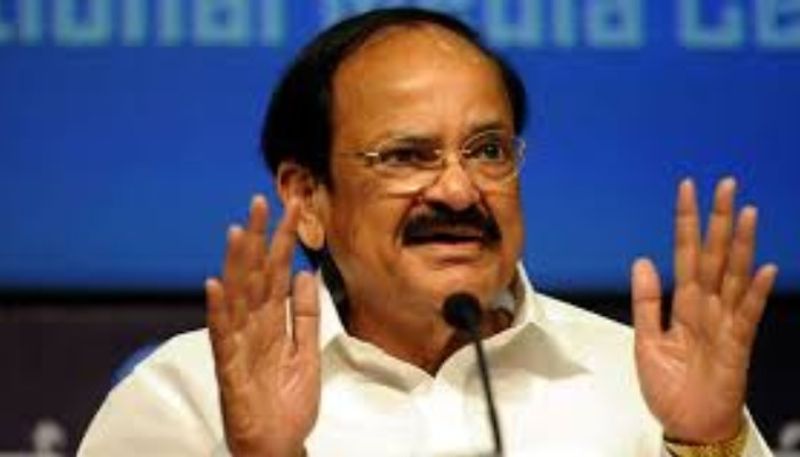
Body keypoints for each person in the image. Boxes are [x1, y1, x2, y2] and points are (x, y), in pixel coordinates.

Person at [79, 8, 778, 457]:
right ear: (307, 197)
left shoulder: (642, 384)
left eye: (488, 150)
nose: (459, 190)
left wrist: (707, 443)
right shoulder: (188, 397)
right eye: (408, 156)